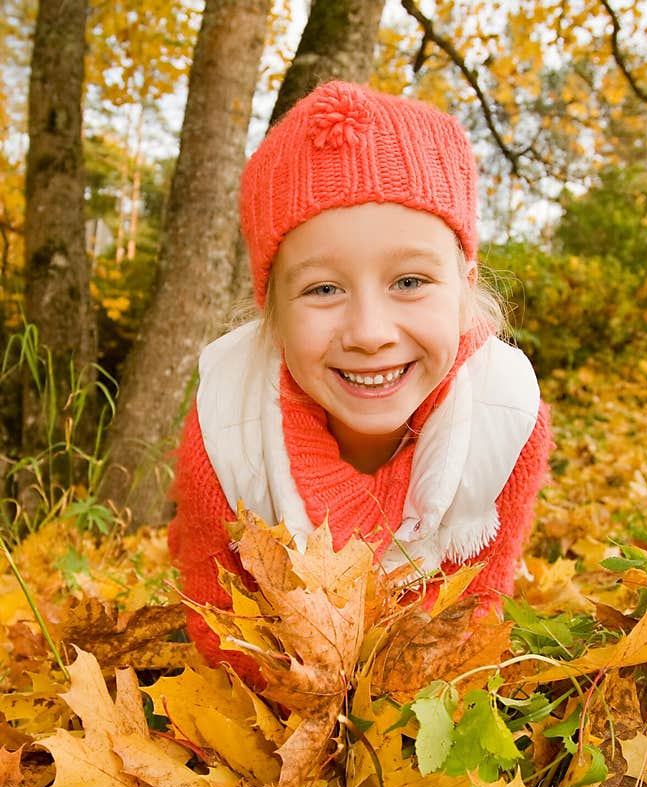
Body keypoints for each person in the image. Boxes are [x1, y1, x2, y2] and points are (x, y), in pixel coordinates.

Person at [167, 80, 553, 686]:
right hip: (279, 697)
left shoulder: (502, 416)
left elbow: (480, 602)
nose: (370, 332)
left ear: (464, 286)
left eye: (410, 282)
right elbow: (217, 617)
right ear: (271, 311)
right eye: (323, 289)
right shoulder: (228, 426)